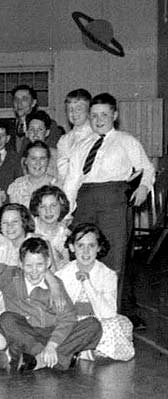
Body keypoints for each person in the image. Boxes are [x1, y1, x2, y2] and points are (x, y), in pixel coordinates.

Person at [64, 93, 155, 297]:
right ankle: (83, 307)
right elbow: (71, 181)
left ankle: (111, 310)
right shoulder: (81, 145)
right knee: (81, 252)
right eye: (94, 115)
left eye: (104, 114)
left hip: (114, 201)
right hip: (85, 201)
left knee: (113, 257)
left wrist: (143, 188)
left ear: (115, 115)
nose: (99, 120)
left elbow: (147, 169)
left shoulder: (126, 141)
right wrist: (66, 212)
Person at [0, 237, 102, 373]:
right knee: (6, 319)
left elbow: (68, 318)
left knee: (93, 325)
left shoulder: (55, 286)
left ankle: (38, 360)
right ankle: (58, 357)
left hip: (51, 334)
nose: (34, 271)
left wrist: (52, 345)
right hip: (26, 334)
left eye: (39, 265)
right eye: (28, 265)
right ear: (21, 264)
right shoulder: (10, 276)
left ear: (48, 263)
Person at [57, 224, 134, 361]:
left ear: (99, 248)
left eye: (91, 246)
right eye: (80, 245)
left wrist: (87, 283)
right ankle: (82, 350)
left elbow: (108, 312)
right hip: (72, 322)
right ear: (72, 247)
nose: (86, 251)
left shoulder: (108, 274)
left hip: (97, 320)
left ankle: (81, 350)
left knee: (122, 324)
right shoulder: (63, 273)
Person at [8, 85, 63, 154]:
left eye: (24, 99)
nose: (19, 103)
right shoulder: (8, 128)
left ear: (33, 103)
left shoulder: (49, 125)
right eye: (16, 99)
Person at [30, 185, 71, 271]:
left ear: (61, 206)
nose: (48, 211)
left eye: (53, 205)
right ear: (36, 209)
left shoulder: (66, 234)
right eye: (42, 206)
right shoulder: (29, 229)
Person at [57, 89, 93, 183]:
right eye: (70, 109)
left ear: (89, 111)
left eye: (79, 109)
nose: (74, 113)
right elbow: (62, 168)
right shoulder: (64, 140)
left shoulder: (97, 135)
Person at [7, 141, 57, 207]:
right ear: (26, 161)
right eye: (33, 158)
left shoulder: (57, 185)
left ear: (48, 161)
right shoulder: (17, 186)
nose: (38, 163)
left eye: (42, 159)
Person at [25, 110, 58, 179]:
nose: (35, 133)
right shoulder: (22, 156)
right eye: (31, 129)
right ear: (27, 132)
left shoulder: (55, 156)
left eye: (40, 129)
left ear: (47, 132)